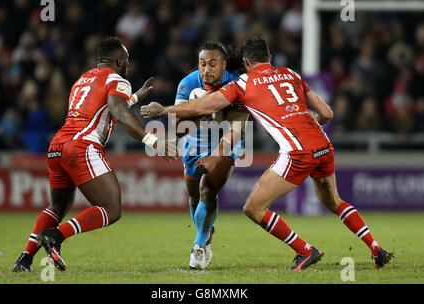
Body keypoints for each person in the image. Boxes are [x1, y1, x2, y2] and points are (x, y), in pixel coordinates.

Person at [141, 37, 394, 271]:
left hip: (297, 152)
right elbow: (327, 113)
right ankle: (376, 248)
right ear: (270, 57)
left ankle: (306, 251)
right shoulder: (291, 73)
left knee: (253, 208)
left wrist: (164, 110)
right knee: (334, 201)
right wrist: (309, 122)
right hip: (323, 146)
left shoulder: (242, 83)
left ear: (246, 62)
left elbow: (208, 104)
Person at [13, 37, 175, 272]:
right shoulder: (117, 79)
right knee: (111, 208)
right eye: (127, 61)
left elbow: (104, 107)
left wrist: (137, 96)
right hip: (82, 147)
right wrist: (152, 140)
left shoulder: (82, 79)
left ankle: (25, 259)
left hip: (58, 145)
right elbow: (118, 112)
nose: (128, 66)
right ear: (119, 60)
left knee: (57, 207)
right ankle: (56, 236)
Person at [173, 41, 248, 269]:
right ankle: (206, 232)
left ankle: (198, 245)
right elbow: (178, 128)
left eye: (213, 64)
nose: (206, 69)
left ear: (224, 65)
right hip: (194, 145)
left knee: (208, 191)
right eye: (202, 63)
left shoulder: (237, 82)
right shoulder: (187, 84)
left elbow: (237, 128)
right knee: (195, 197)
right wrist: (199, 115)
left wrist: (217, 153)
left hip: (226, 143)